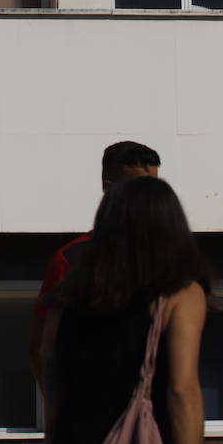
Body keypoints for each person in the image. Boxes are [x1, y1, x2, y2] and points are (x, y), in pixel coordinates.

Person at [41, 176, 207, 444]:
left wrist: (51, 434)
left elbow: (49, 366)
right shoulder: (180, 294)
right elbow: (182, 390)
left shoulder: (67, 295)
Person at [29, 140, 160, 380]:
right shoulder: (72, 259)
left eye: (155, 188)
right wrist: (59, 411)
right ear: (108, 189)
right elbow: (43, 349)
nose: (150, 199)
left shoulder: (171, 256)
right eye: (138, 188)